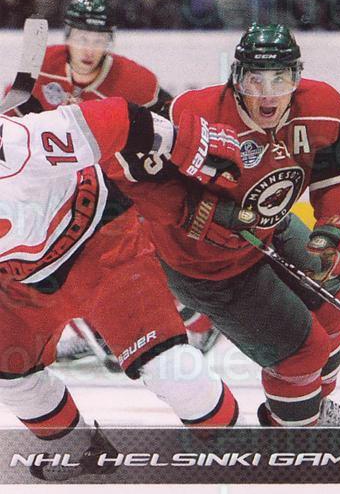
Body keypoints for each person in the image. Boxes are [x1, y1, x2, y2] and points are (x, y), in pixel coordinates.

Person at [116, 23, 340, 427]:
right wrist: (205, 212)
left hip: (271, 228)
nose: (268, 94)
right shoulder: (193, 114)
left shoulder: (322, 108)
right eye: (255, 80)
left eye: (280, 79)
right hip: (203, 264)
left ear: (297, 77)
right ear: (236, 78)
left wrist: (333, 231)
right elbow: (135, 178)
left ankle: (310, 410)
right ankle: (296, 434)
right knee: (301, 353)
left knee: (334, 309)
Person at [0, 95, 242, 481]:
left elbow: (116, 119)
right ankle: (80, 449)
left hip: (100, 244)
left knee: (170, 368)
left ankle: (238, 448)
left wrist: (188, 145)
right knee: (9, 374)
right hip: (22, 282)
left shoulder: (18, 143)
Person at [12, 0, 219, 356]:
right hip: (69, 183)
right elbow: (16, 119)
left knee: (141, 249)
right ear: (68, 36)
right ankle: (90, 329)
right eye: (82, 38)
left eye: (99, 39)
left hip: (122, 179)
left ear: (110, 41)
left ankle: (201, 319)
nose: (89, 48)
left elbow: (171, 128)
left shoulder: (136, 81)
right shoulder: (44, 66)